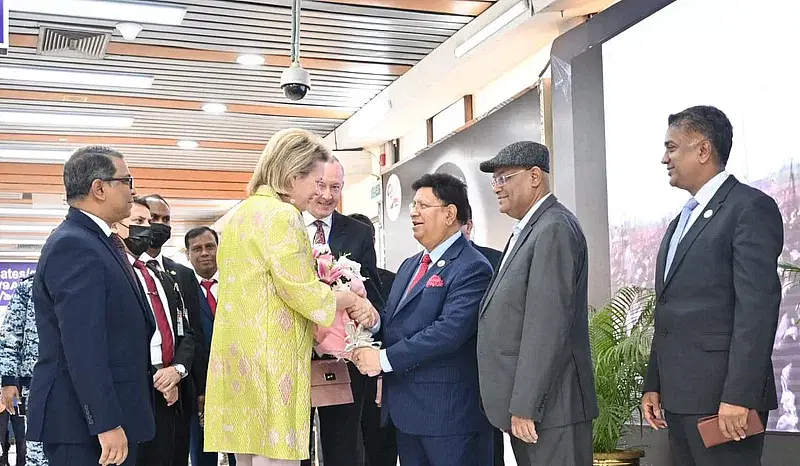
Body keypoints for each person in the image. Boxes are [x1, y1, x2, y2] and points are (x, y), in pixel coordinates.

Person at [203, 128, 377, 466]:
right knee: (276, 457)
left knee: (248, 456)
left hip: (239, 360)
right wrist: (348, 298)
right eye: (315, 181)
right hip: (272, 360)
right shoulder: (282, 215)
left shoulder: (243, 213)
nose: (317, 191)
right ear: (293, 175)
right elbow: (303, 292)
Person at [641, 106, 783, 466]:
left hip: (725, 405)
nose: (664, 158)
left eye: (671, 148)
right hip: (679, 401)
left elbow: (757, 308)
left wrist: (740, 395)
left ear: (702, 150)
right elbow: (670, 309)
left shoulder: (749, 208)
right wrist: (653, 383)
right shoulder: (678, 223)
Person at [353, 173, 495, 466]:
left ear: (450, 213)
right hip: (407, 414)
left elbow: (448, 332)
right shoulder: (410, 265)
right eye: (412, 206)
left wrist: (382, 360)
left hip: (448, 417)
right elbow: (398, 324)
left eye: (422, 205)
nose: (414, 212)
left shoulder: (472, 267)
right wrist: (376, 321)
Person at [27, 146, 156, 466]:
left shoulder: (100, 240)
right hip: (85, 428)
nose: (133, 190)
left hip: (111, 418)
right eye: (126, 180)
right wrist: (105, 422)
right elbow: (82, 345)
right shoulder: (74, 244)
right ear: (99, 188)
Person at [477, 141, 598, 466]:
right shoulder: (532, 228)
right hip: (541, 411)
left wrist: (526, 405)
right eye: (495, 181)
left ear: (534, 176)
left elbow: (546, 326)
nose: (497, 188)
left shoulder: (553, 228)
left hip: (552, 409)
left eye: (504, 178)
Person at [301, 159, 384, 466]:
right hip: (293, 357)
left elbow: (373, 293)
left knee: (344, 447)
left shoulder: (359, 233)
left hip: (344, 359)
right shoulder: (285, 227)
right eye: (320, 185)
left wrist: (372, 320)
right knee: (295, 448)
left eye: (335, 187)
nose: (326, 195)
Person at [113, 198, 193, 466]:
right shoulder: (114, 273)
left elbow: (184, 331)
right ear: (117, 225)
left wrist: (177, 371)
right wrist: (157, 374)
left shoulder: (163, 276)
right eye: (140, 222)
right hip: (137, 390)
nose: (148, 228)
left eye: (150, 222)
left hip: (172, 392)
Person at [141, 194, 205, 466]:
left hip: (181, 386)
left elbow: (191, 331)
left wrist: (181, 370)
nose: (160, 225)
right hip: (145, 386)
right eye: (153, 219)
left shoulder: (182, 273)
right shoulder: (127, 269)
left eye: (166, 220)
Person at [347, 213, 398, 466]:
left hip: (379, 378)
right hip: (343, 379)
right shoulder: (331, 281)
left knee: (381, 447)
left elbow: (394, 330)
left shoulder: (392, 280)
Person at [184, 226, 234, 466]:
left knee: (241, 447)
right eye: (197, 249)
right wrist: (199, 387)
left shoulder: (238, 283)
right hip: (199, 386)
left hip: (238, 381)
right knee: (203, 451)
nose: (204, 253)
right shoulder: (182, 288)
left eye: (210, 246)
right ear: (188, 254)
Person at [460, 205, 504, 466]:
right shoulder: (423, 264)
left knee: (489, 443)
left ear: (469, 225)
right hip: (451, 371)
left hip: (487, 368)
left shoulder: (494, 260)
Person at [0, 275, 46, 465]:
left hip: (74, 379)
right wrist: (9, 380)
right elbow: (11, 335)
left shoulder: (82, 281)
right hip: (32, 383)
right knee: (31, 443)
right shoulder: (29, 287)